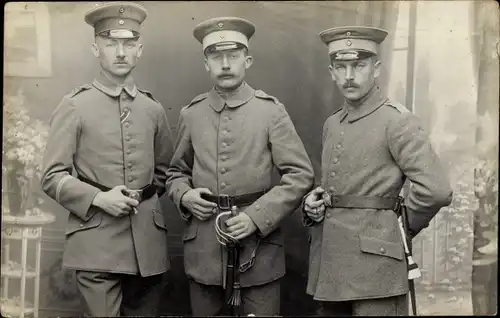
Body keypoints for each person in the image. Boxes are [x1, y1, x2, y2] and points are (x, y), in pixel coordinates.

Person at [166, 16, 314, 316]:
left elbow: (300, 175)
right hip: (204, 252)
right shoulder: (191, 114)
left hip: (258, 252)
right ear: (206, 64)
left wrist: (256, 218)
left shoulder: (270, 111)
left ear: (247, 60)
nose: (225, 64)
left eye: (232, 56)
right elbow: (175, 173)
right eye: (216, 57)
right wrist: (184, 196)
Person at [302, 26, 453, 316]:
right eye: (341, 67)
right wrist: (313, 205)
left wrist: (400, 230)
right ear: (331, 71)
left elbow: (436, 190)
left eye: (358, 65)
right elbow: (337, 190)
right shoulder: (332, 124)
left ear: (376, 69)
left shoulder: (396, 121)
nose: (349, 75)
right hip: (332, 268)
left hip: (377, 268)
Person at [40, 2, 173, 316]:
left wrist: (138, 200)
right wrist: (99, 198)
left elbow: (164, 173)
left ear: (139, 49)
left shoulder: (153, 109)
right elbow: (52, 176)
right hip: (96, 247)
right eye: (111, 43)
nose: (121, 52)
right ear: (95, 48)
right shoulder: (74, 105)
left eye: (128, 44)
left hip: (148, 249)